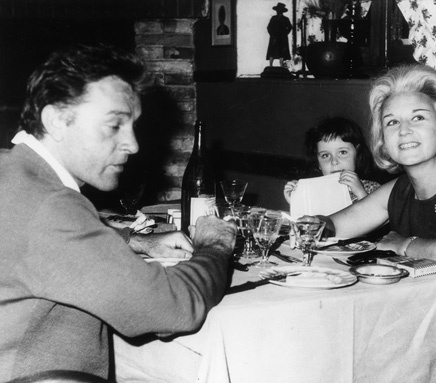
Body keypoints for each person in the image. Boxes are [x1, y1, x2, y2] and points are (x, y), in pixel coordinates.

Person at [0, 44, 237, 381]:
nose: (133, 145)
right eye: (114, 126)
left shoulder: (11, 170)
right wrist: (215, 247)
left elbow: (38, 244)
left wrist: (137, 240)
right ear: (55, 120)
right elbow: (172, 309)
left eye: (132, 125)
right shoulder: (51, 207)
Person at [318, 64, 436, 276]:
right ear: (384, 141)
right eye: (392, 122)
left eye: (418, 118)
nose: (404, 130)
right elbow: (333, 226)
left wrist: (405, 245)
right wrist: (307, 223)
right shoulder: (398, 190)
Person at [284, 116, 380, 204]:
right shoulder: (314, 193)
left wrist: (360, 193)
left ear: (357, 153)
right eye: (325, 155)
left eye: (342, 152)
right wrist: (296, 202)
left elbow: (377, 219)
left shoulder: (372, 189)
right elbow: (309, 221)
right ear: (318, 163)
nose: (334, 161)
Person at [266, 2, 292, 67]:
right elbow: (269, 27)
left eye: (280, 10)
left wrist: (285, 34)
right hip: (274, 38)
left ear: (282, 11)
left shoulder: (285, 19)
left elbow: (290, 27)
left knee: (282, 53)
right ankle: (270, 66)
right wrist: (272, 35)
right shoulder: (273, 18)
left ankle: (281, 66)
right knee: (272, 52)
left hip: (282, 38)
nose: (279, 11)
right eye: (278, 10)